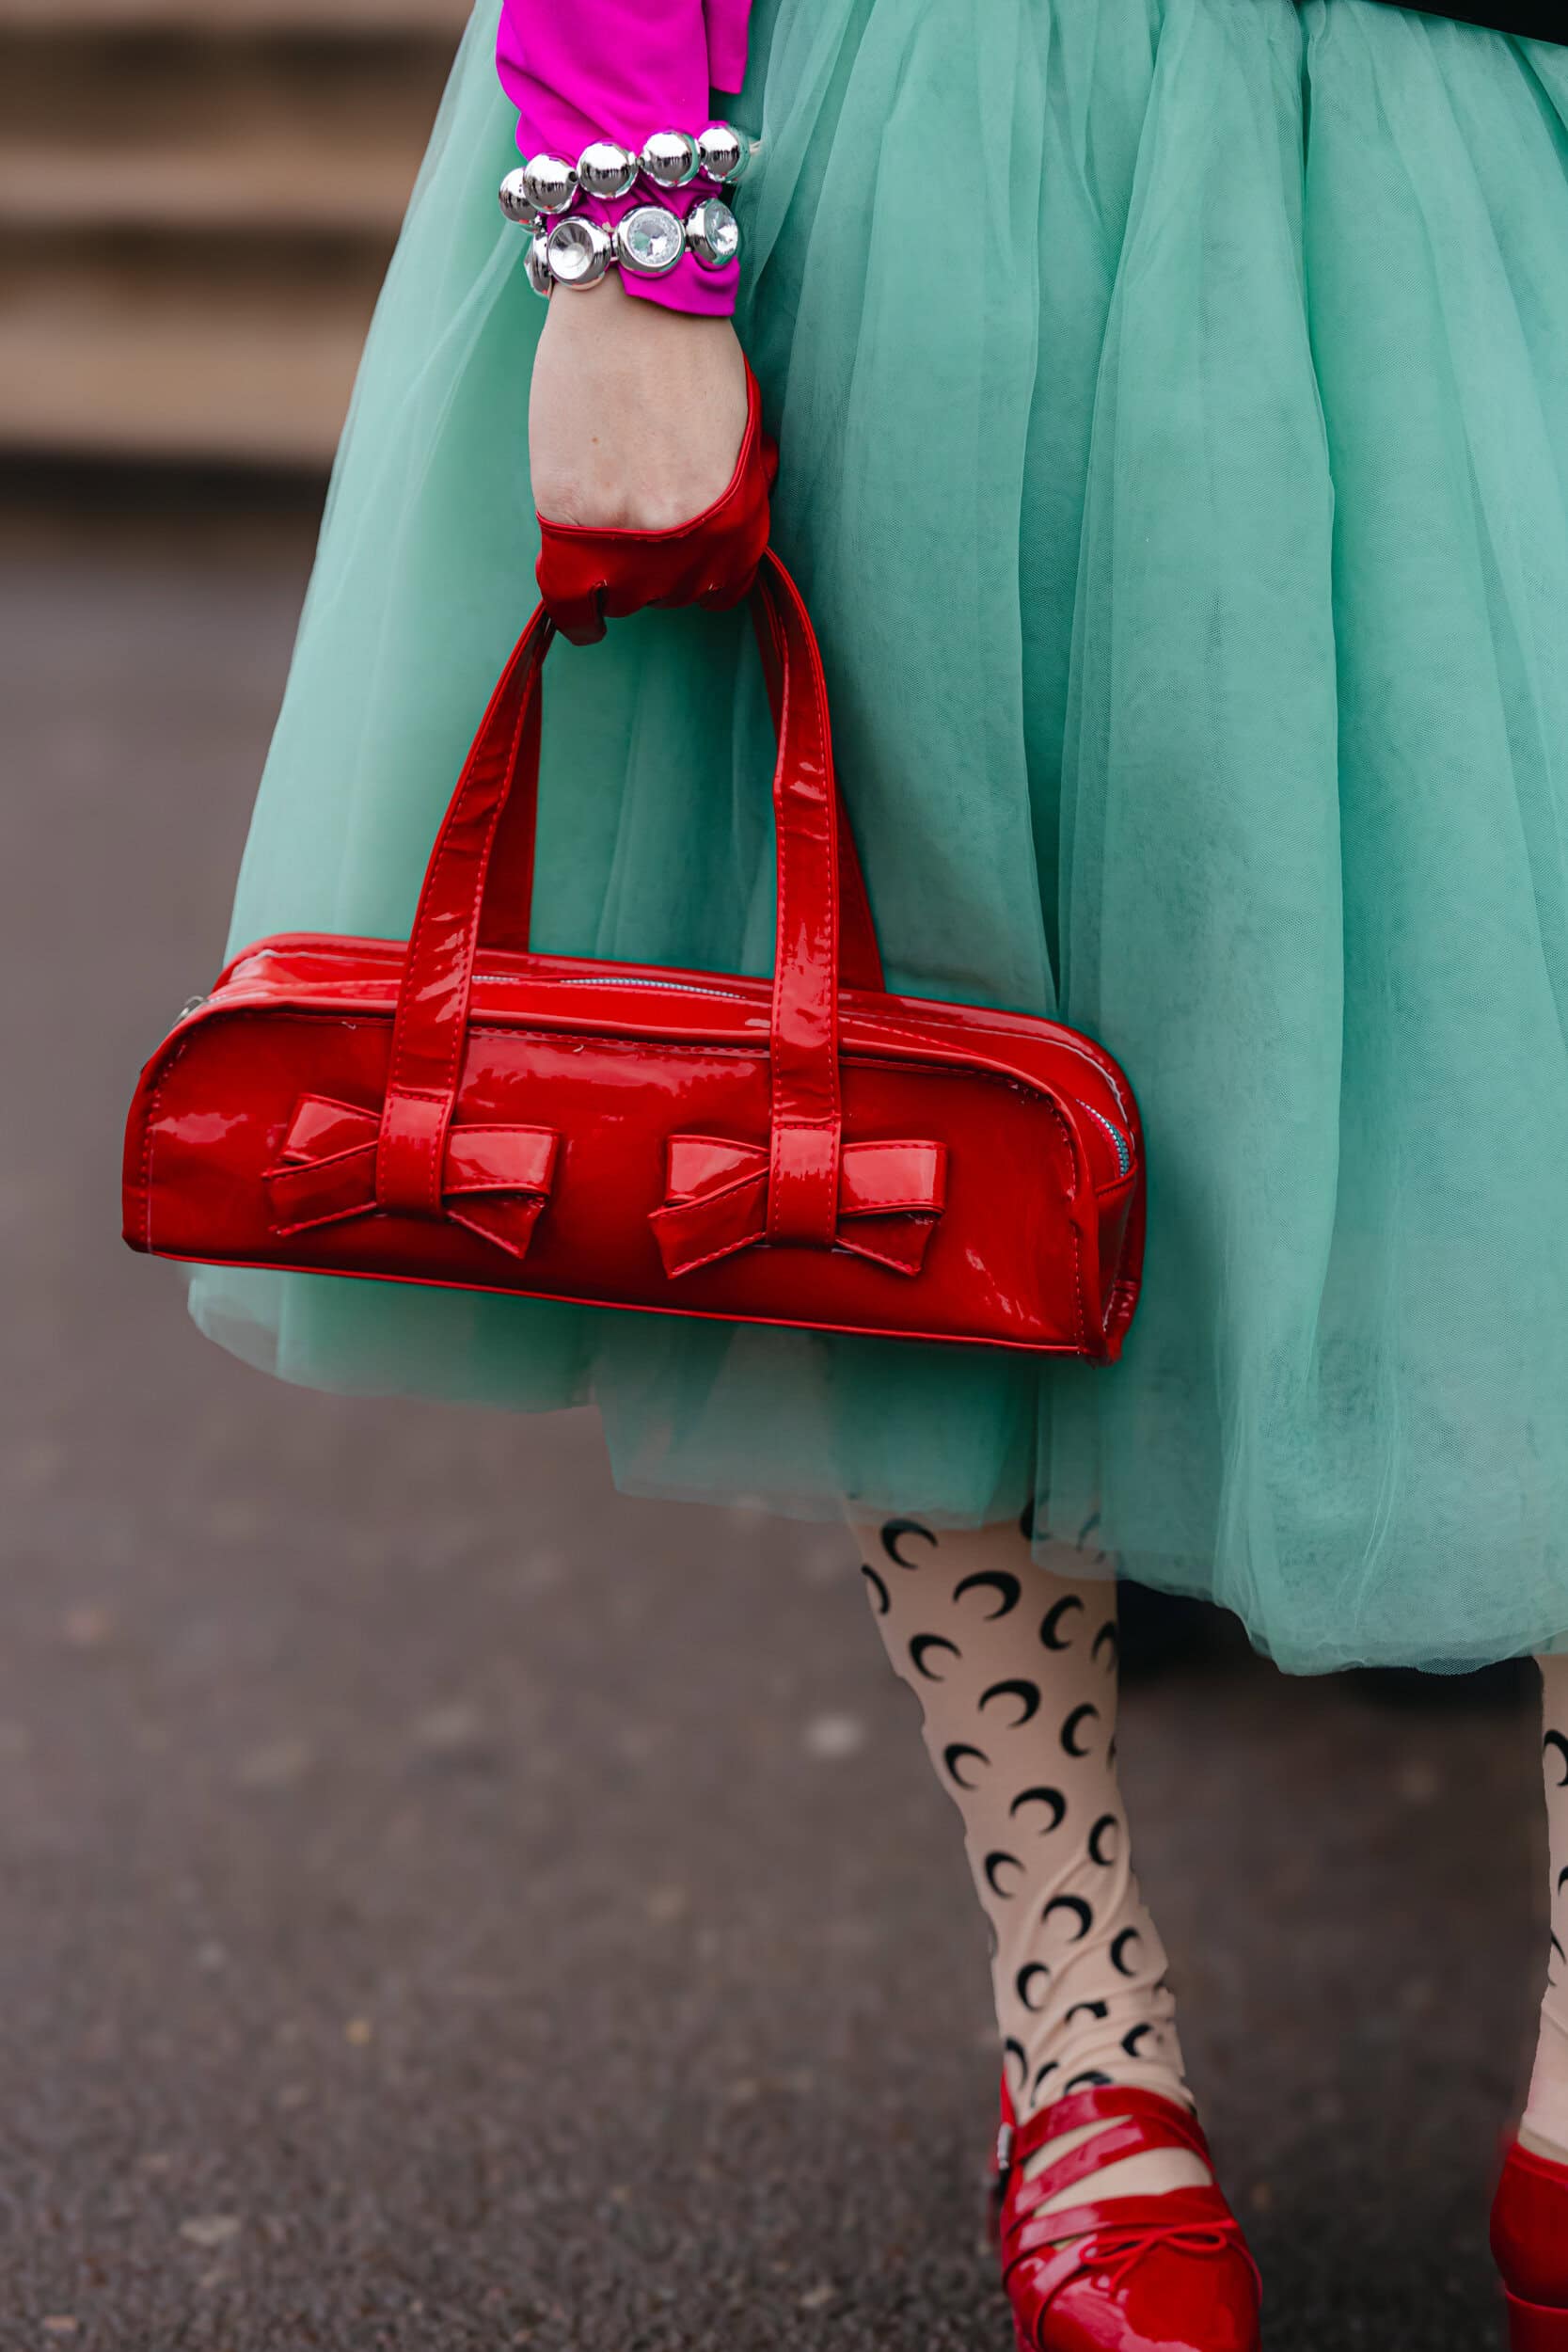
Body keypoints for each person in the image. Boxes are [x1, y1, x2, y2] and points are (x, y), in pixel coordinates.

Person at [181, 0, 1568, 2342]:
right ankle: (1079, 2031)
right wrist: (625, 232)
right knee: (920, 1118)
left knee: (1531, 1090)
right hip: (965, 140)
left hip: (1479, 131)